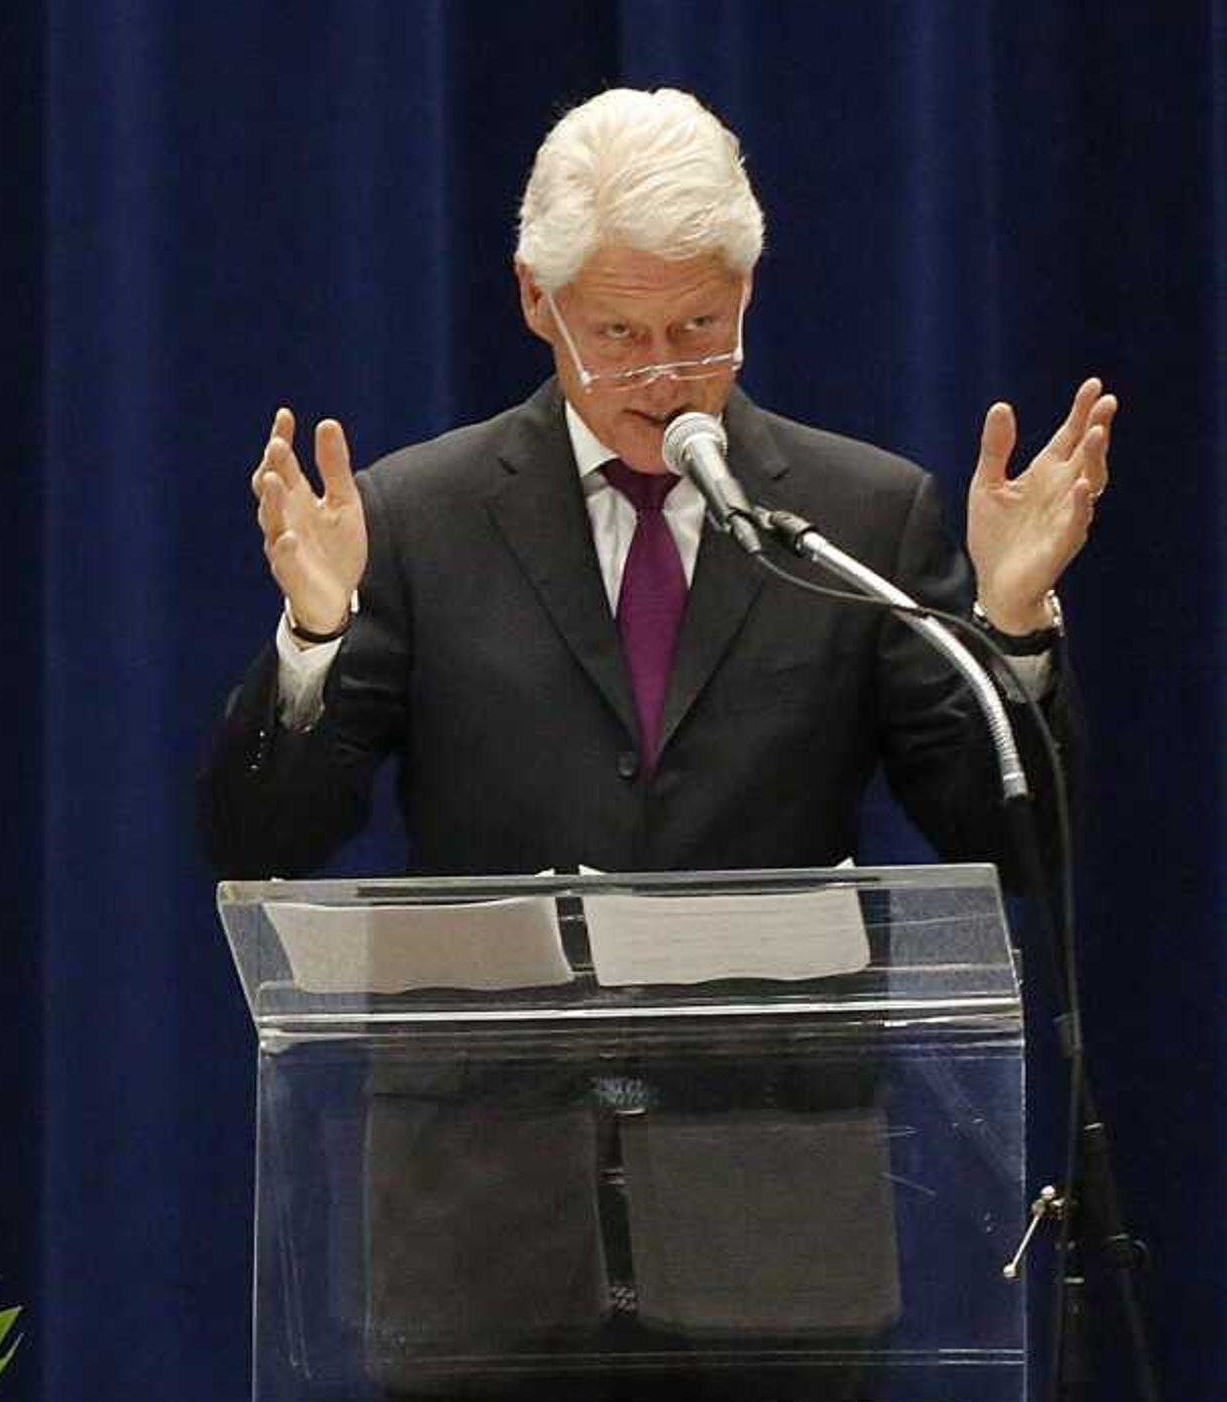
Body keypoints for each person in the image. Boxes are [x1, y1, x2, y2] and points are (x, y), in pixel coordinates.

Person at [201, 86, 1115, 883]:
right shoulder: (415, 517)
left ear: (747, 289)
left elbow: (1015, 848)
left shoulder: (860, 520)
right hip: (503, 1082)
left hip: (769, 1082)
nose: (664, 377)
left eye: (699, 325)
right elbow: (264, 842)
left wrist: (1013, 620)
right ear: (534, 299)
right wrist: (316, 640)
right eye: (618, 335)